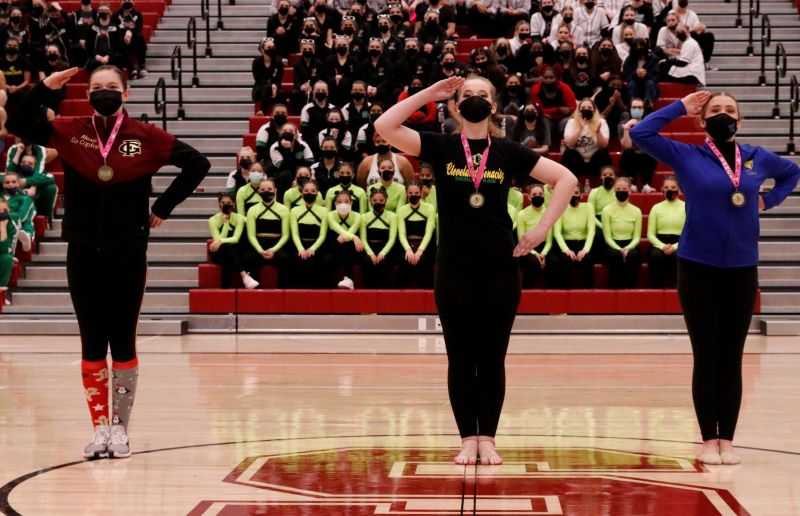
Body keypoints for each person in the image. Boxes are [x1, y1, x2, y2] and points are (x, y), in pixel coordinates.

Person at [7, 65, 209, 458]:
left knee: (123, 339)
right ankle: (98, 428)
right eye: (97, 87)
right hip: (81, 250)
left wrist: (164, 207)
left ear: (126, 93)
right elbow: (19, 123)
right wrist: (46, 89)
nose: (104, 92)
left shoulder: (145, 137)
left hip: (128, 251)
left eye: (111, 87)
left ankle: (121, 430)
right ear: (87, 94)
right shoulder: (68, 131)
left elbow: (197, 164)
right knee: (91, 341)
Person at [375, 75, 576, 465]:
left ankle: (490, 437)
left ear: (494, 105)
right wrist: (430, 94)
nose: (475, 99)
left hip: (501, 267)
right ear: (456, 104)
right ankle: (468, 436)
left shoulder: (509, 151)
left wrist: (541, 229)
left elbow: (565, 180)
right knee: (461, 356)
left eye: (482, 95)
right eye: (467, 94)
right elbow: (384, 127)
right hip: (453, 268)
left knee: (493, 355)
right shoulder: (442, 146)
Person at [631, 90, 800, 464]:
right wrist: (680, 106)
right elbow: (641, 134)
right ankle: (709, 438)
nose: (724, 115)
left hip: (741, 268)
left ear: (739, 120)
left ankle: (729, 440)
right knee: (707, 354)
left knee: (732, 355)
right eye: (716, 110)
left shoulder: (757, 158)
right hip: (697, 268)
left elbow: (792, 172)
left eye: (730, 110)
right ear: (702, 120)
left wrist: (768, 201)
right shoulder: (688, 155)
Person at [245, 178, 290, 288]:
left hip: (277, 244)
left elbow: (285, 235)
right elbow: (251, 235)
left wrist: (273, 250)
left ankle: (282, 293)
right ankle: (254, 294)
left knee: (286, 259)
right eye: (263, 189)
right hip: (258, 243)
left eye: (270, 189)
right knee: (250, 258)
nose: (266, 191)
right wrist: (260, 250)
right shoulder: (252, 210)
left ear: (275, 190)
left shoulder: (284, 209)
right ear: (259, 192)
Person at [207, 193, 259, 289]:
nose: (226, 205)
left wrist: (220, 241)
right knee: (227, 248)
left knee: (230, 251)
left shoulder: (239, 218)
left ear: (233, 204)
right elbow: (217, 241)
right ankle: (244, 276)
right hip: (219, 252)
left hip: (234, 250)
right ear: (219, 204)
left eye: (229, 202)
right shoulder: (212, 220)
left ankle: (225, 288)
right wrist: (226, 223)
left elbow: (235, 239)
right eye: (223, 203)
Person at [601, 177, 642, 289]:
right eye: (618, 188)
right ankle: (614, 288)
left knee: (633, 255)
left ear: (629, 190)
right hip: (612, 244)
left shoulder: (636, 211)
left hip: (630, 244)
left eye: (624, 188)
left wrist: (628, 248)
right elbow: (607, 237)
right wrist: (619, 249)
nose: (621, 191)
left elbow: (637, 237)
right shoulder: (606, 210)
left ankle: (630, 289)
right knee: (614, 255)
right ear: (614, 191)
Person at [289, 178, 330, 288]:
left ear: (317, 193)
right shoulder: (294, 211)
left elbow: (322, 235)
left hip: (317, 245)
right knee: (297, 259)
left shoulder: (324, 211)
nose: (309, 193)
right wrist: (301, 249)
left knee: (322, 260)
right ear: (301, 193)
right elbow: (295, 233)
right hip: (300, 245)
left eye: (312, 191)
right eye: (306, 191)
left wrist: (312, 249)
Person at [553, 184, 595, 288]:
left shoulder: (588, 207)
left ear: (581, 195)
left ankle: (587, 294)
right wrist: (566, 250)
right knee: (564, 260)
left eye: (576, 193)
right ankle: (564, 294)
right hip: (567, 244)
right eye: (570, 193)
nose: (573, 195)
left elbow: (591, 231)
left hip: (583, 244)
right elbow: (557, 232)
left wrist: (585, 250)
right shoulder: (560, 208)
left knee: (587, 259)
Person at [647, 176, 685, 288]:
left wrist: (674, 247)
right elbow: (650, 234)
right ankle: (656, 288)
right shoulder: (656, 208)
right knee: (655, 255)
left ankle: (676, 288)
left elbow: (688, 233)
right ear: (662, 189)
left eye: (673, 187)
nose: (670, 189)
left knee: (677, 255)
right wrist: (663, 246)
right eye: (667, 187)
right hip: (659, 243)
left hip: (679, 243)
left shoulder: (686, 206)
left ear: (679, 189)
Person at [397, 182, 436, 288]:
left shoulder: (429, 208)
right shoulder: (401, 210)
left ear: (421, 193)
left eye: (416, 192)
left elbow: (428, 233)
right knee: (405, 259)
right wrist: (408, 250)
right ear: (406, 194)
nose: (413, 195)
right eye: (410, 193)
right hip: (408, 244)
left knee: (423, 260)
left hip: (425, 244)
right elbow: (402, 233)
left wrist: (419, 251)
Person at [561, 98, 612, 179]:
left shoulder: (601, 122)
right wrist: (579, 129)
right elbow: (569, 144)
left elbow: (604, 145)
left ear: (594, 110)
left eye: (589, 108)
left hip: (594, 162)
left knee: (603, 153)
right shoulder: (571, 122)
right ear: (578, 110)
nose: (586, 110)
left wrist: (598, 132)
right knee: (569, 153)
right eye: (583, 108)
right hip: (577, 161)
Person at [516, 184, 554, 288]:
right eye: (534, 194)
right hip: (527, 248)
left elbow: (549, 240)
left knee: (554, 261)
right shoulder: (522, 214)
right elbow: (521, 239)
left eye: (540, 194)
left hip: (544, 247)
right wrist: (536, 254)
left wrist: (543, 254)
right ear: (529, 197)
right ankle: (528, 292)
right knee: (533, 262)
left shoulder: (549, 213)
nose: (538, 196)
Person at [359, 187, 398, 288]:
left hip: (386, 248)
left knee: (384, 261)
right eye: (375, 200)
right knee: (367, 261)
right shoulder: (364, 217)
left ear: (386, 200)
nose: (378, 202)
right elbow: (363, 239)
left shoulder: (392, 216)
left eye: (381, 200)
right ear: (370, 201)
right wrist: (371, 254)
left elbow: (392, 239)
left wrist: (382, 253)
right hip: (369, 248)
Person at [327, 189, 363, 289]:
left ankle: (348, 279)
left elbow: (351, 230)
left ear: (351, 203)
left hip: (350, 246)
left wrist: (352, 237)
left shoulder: (357, 216)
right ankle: (336, 281)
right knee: (335, 246)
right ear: (335, 203)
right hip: (334, 243)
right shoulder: (330, 215)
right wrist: (355, 237)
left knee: (347, 246)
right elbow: (336, 228)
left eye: (346, 201)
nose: (343, 204)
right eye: (339, 202)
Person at [620, 99, 658, 193]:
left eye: (640, 107)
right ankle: (631, 183)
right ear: (630, 109)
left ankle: (646, 184)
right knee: (627, 153)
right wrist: (627, 128)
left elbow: (650, 144)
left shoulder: (649, 123)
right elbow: (627, 146)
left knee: (652, 153)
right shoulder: (623, 124)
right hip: (630, 156)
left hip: (645, 155)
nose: (637, 109)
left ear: (643, 110)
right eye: (634, 107)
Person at [1, 172, 34, 252]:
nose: (11, 184)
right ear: (2, 185)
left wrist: (6, 215)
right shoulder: (1, 196)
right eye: (7, 182)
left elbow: (21, 217)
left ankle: (27, 235)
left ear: (19, 183)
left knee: (12, 221)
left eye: (14, 182)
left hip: (20, 223)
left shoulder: (25, 198)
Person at [0, 198, 14, 294]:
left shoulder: (9, 224)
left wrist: (3, 227)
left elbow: (4, 248)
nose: (1, 213)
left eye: (4, 211)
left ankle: (1, 292)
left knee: (7, 258)